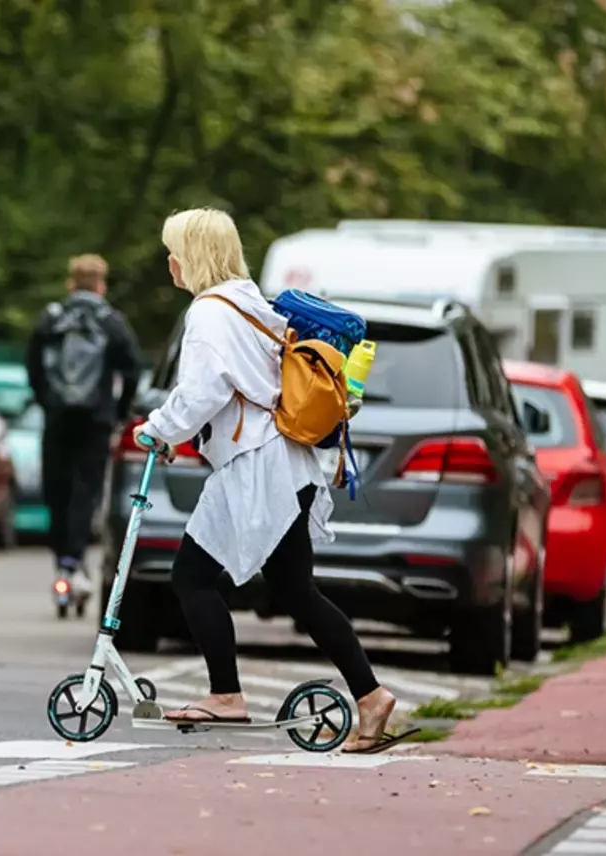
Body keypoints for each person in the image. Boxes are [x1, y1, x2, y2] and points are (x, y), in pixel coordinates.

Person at [132, 209, 411, 754]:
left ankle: (226, 696)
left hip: (257, 467)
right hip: (290, 465)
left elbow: (202, 392)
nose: (169, 263)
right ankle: (371, 697)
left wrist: (157, 429)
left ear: (192, 257)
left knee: (191, 577)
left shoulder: (209, 313)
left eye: (174, 251)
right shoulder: (250, 300)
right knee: (295, 590)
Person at [25, 253, 144, 600]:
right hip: (96, 420)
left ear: (70, 283)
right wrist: (118, 413)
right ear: (101, 285)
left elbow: (32, 364)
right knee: (86, 491)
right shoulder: (112, 322)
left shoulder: (51, 319)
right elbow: (133, 371)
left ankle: (61, 560)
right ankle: (75, 561)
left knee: (57, 491)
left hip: (57, 418)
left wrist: (46, 398)